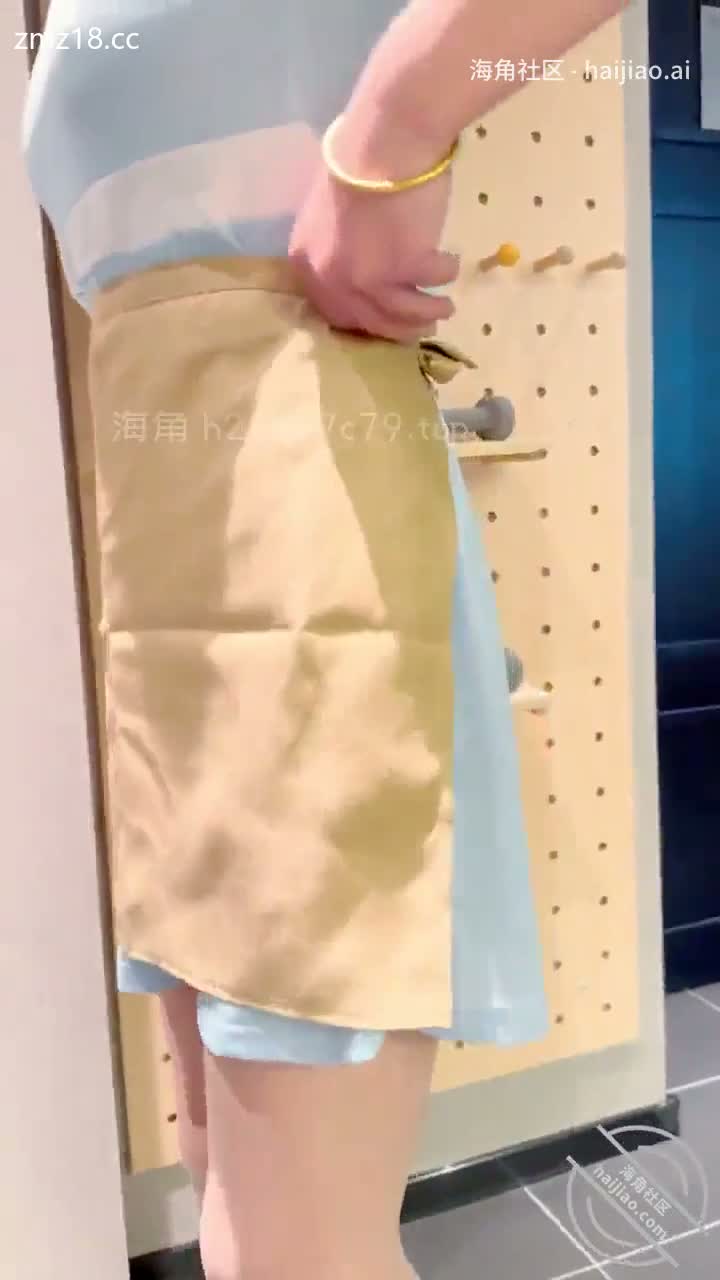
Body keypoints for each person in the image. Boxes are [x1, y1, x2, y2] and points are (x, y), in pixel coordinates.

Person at [24, 2, 625, 1278]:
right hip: (168, 549)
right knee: (225, 1191)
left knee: (291, 1250)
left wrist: (395, 127)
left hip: (310, 526)